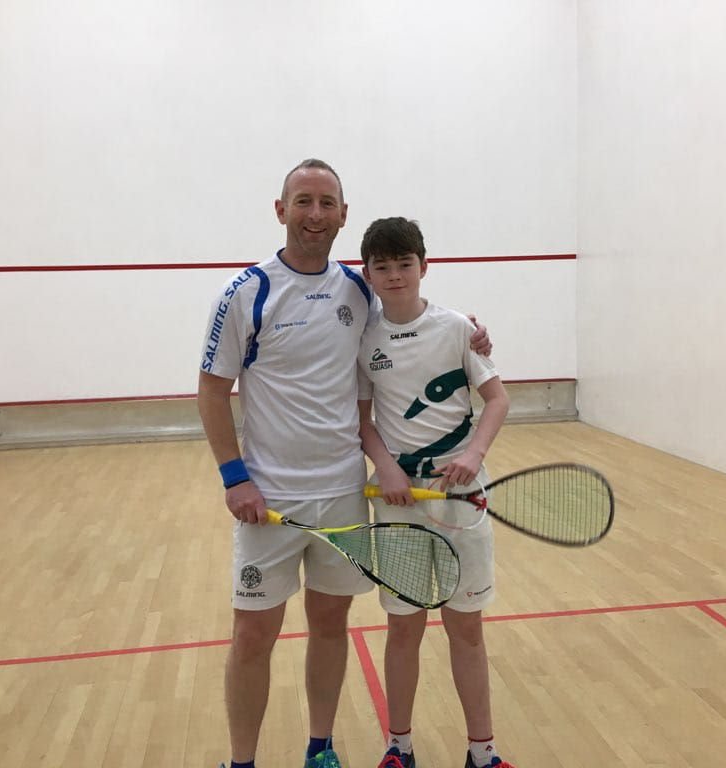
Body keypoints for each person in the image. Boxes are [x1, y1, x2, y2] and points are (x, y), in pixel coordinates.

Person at [198, 160, 492, 768]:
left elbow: (414, 332)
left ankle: (320, 748)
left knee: (330, 625)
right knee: (253, 635)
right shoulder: (246, 293)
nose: (314, 214)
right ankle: (242, 761)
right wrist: (234, 476)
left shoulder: (357, 292)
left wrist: (473, 336)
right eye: (302, 201)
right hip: (268, 500)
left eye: (326, 202)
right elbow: (210, 389)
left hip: (342, 495)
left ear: (342, 214)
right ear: (280, 209)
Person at [354, 217, 515, 768]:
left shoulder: (455, 329)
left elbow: (496, 399)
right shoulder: (363, 339)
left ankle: (483, 752)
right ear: (368, 273)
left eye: (405, 264)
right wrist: (385, 469)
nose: (395, 275)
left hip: (460, 499)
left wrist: (473, 455)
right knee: (403, 627)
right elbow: (362, 419)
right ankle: (399, 748)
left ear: (424, 266)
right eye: (383, 266)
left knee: (465, 626)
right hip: (397, 500)